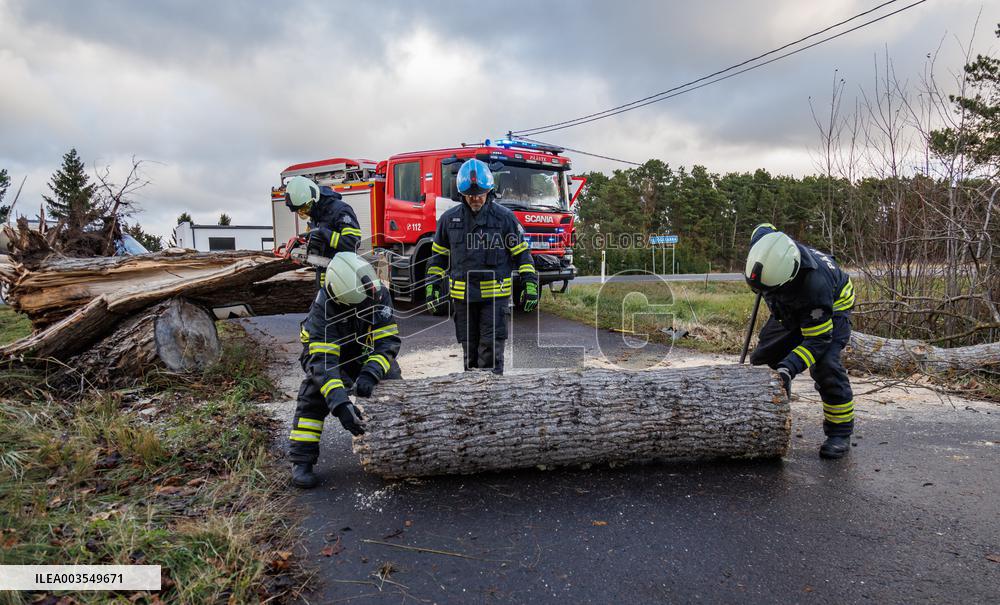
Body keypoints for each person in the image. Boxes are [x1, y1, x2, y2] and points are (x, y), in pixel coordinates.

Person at [289, 252, 402, 488]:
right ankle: (302, 461)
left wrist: (371, 372)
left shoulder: (377, 292)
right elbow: (324, 364)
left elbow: (387, 341)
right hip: (328, 356)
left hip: (363, 353)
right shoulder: (324, 307)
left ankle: (397, 450)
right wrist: (340, 404)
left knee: (393, 386)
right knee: (314, 394)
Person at [744, 223, 857, 459]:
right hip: (788, 307)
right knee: (763, 361)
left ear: (789, 277)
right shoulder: (764, 241)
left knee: (825, 366)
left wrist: (790, 367)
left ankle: (839, 432)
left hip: (833, 309)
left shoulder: (815, 288)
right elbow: (764, 227)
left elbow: (818, 340)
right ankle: (771, 422)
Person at [425, 159, 538, 375]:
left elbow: (522, 255)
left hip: (494, 301)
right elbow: (437, 259)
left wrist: (530, 284)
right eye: (470, 195)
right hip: (463, 300)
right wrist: (432, 286)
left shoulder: (505, 219)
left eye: (480, 194)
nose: (475, 198)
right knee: (470, 355)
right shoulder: (449, 220)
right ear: (462, 194)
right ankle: (473, 404)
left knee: (490, 355)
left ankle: (494, 404)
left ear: (489, 191)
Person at [283, 175, 363, 288]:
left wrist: (324, 234)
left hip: (344, 278)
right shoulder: (316, 214)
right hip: (324, 275)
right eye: (300, 210)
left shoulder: (340, 210)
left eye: (305, 208)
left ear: (314, 197)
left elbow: (352, 243)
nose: (304, 212)